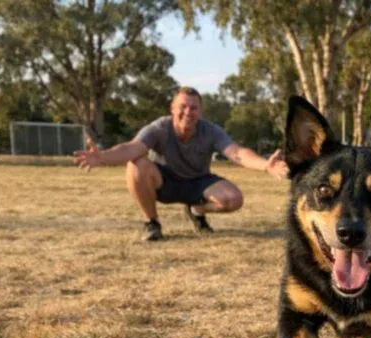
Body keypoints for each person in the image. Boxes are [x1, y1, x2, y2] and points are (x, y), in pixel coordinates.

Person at [73, 86, 289, 241]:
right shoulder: (159, 128)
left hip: (198, 182)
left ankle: (196, 211)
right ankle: (152, 223)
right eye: (183, 106)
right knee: (136, 164)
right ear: (172, 108)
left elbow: (236, 153)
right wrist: (102, 156)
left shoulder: (210, 130)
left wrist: (265, 165)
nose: (188, 112)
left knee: (234, 199)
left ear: (200, 111)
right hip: (164, 181)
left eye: (194, 108)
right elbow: (133, 148)